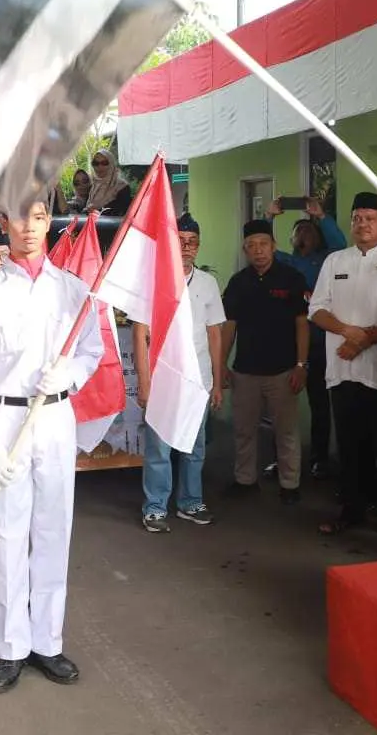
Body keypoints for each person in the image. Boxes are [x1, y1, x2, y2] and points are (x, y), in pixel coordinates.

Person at [0, 198, 104, 693]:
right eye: (18, 218)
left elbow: (92, 349)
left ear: (48, 223)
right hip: (4, 419)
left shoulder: (73, 289)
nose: (28, 227)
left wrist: (72, 373)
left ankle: (47, 641)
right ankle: (11, 648)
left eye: (38, 217)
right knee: (5, 535)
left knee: (52, 530)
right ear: (4, 224)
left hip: (55, 417)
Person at [310, 194, 377, 551]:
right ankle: (352, 509)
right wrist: (348, 333)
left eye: (370, 218)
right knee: (350, 447)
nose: (362, 224)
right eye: (356, 218)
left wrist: (364, 339)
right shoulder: (335, 260)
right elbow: (317, 310)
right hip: (342, 371)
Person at [136, 214, 226, 533]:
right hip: (163, 379)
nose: (186, 247)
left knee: (194, 446)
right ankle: (156, 507)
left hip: (197, 380)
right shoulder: (154, 280)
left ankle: (190, 502)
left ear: (198, 247)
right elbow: (140, 331)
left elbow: (215, 333)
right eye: (180, 241)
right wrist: (144, 383)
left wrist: (216, 380)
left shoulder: (208, 283)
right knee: (159, 448)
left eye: (192, 242)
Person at [221, 221, 309, 503]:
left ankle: (290, 484)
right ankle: (245, 480)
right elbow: (229, 326)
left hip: (283, 371)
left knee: (286, 431)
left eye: (263, 244)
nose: (258, 251)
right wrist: (221, 364)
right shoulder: (238, 282)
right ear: (246, 250)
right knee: (244, 430)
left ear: (273, 246)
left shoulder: (291, 278)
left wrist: (301, 365)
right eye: (252, 246)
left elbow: (302, 324)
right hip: (245, 371)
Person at [268, 197, 346, 479]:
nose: (304, 235)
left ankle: (319, 458)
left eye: (310, 231)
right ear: (291, 238)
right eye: (299, 231)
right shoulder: (285, 263)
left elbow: (339, 245)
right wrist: (269, 217)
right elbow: (264, 246)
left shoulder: (326, 260)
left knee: (319, 403)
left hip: (319, 343)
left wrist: (321, 216)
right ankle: (280, 460)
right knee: (279, 405)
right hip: (286, 343)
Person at [84, 149, 132, 216]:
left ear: (111, 164)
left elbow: (121, 212)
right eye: (96, 163)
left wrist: (96, 211)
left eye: (104, 163)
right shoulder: (93, 187)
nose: (99, 167)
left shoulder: (122, 187)